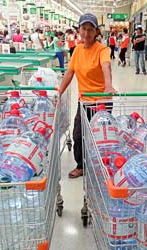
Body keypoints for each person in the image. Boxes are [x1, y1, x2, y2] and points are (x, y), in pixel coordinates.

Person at [58, 13, 116, 179]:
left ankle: (101, 165)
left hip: (101, 101)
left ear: (96, 31)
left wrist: (108, 86)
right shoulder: (76, 50)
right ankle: (81, 166)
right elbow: (69, 73)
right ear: (79, 30)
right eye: (84, 29)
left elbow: (106, 67)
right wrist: (59, 91)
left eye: (91, 30)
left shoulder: (103, 50)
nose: (86, 33)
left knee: (100, 136)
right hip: (84, 102)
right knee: (78, 135)